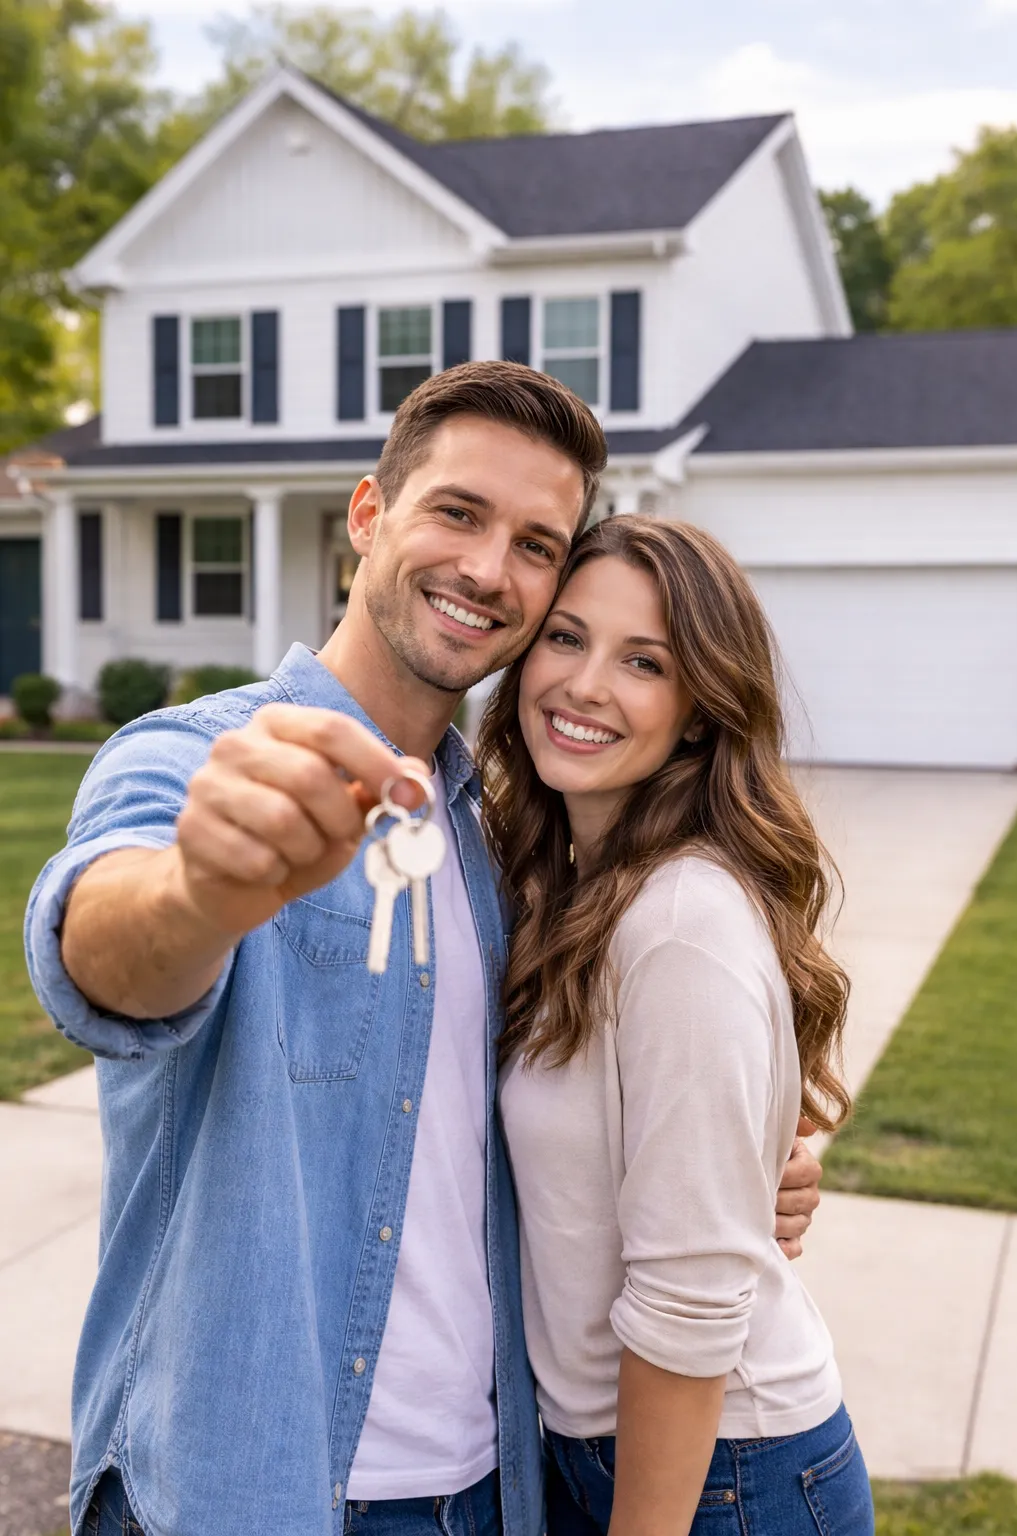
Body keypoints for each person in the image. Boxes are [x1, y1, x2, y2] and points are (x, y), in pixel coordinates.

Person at [25, 364, 823, 1536]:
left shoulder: (501, 839)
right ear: (367, 514)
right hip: (243, 1488)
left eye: (535, 543)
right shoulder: (196, 762)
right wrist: (203, 889)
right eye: (457, 512)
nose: (489, 569)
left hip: (486, 1491)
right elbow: (105, 956)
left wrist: (756, 1153)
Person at [481, 516, 875, 1535]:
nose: (583, 684)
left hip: (716, 1472)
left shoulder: (679, 922)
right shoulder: (567, 887)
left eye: (643, 662)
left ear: (700, 711)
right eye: (564, 638)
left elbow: (690, 1306)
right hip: (608, 1452)